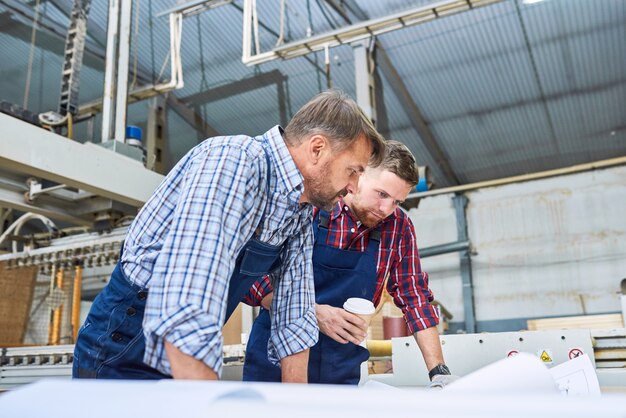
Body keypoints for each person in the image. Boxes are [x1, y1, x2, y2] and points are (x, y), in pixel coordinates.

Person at [72, 90, 385, 383]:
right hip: (120, 350)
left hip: (177, 357)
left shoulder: (302, 211)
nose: (355, 187)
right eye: (353, 171)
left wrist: (297, 408)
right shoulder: (234, 162)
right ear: (317, 149)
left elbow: (295, 318)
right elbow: (187, 303)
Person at [242, 140, 456, 386]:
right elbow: (251, 280)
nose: (387, 209)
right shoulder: (309, 206)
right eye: (382, 194)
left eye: (397, 201)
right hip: (275, 358)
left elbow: (415, 296)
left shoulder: (398, 227)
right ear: (357, 175)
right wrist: (310, 312)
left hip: (340, 366)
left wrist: (439, 372)